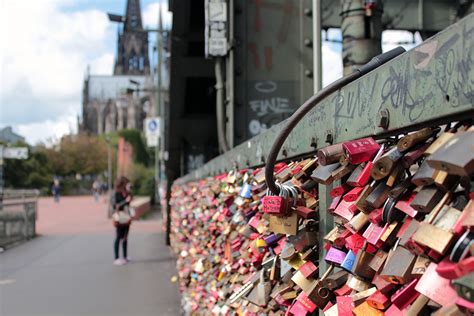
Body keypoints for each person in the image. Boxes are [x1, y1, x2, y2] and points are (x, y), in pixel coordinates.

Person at [112, 176, 133, 265]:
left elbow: (129, 201)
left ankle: (125, 256)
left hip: (126, 217)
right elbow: (116, 206)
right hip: (120, 217)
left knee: (125, 237)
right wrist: (125, 201)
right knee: (118, 236)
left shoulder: (126, 193)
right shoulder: (117, 193)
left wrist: (129, 195)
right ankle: (116, 258)